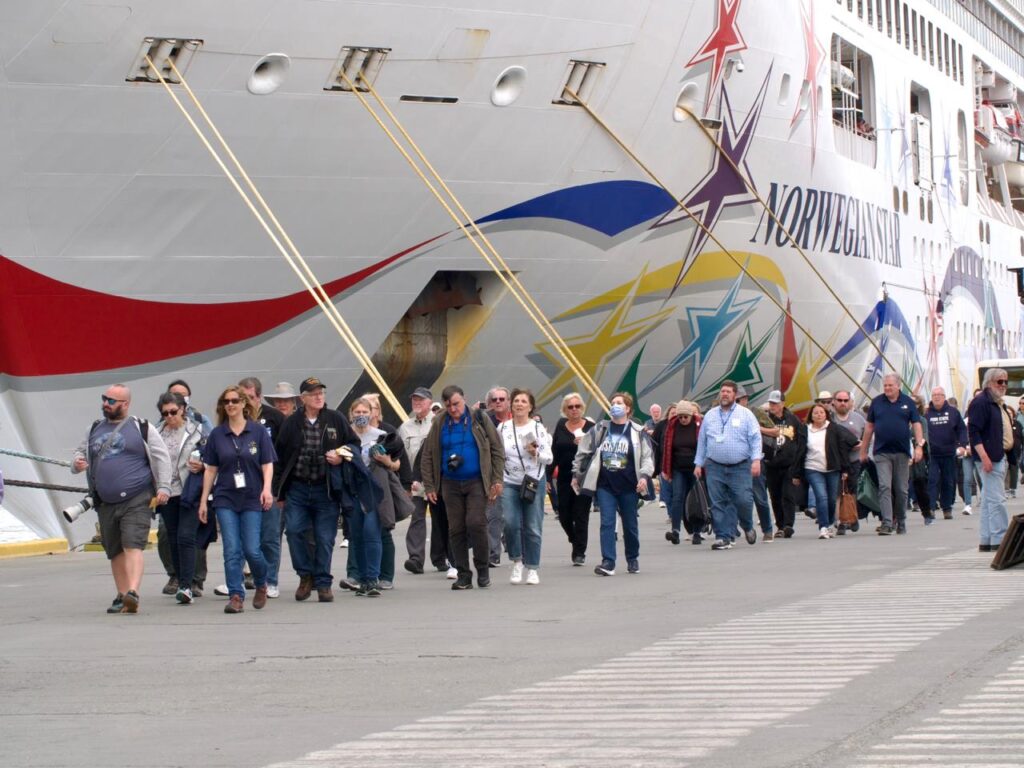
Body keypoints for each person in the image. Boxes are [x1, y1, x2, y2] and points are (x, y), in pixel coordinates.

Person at [72, 384, 172, 614]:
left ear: (125, 404)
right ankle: (121, 594)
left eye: (111, 400)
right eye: (104, 398)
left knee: (132, 544)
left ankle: (133, 592)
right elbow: (79, 454)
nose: (105, 403)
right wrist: (76, 464)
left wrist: (164, 487)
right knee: (114, 550)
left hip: (137, 497)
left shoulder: (142, 427)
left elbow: (161, 458)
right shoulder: (94, 429)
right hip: (105, 501)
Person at [274, 377, 358, 602]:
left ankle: (323, 582)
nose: (319, 396)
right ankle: (305, 575)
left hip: (326, 488)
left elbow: (353, 444)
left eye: (321, 392)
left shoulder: (335, 419)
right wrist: (278, 491)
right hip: (298, 488)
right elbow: (279, 457)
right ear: (303, 399)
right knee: (293, 531)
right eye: (313, 394)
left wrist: (341, 456)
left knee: (325, 537)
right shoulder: (292, 423)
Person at [198, 386, 276, 614]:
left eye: (234, 401)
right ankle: (235, 595)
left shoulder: (258, 432)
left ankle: (261, 582)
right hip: (225, 497)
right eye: (226, 401)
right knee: (231, 548)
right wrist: (204, 500)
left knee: (252, 549)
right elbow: (211, 469)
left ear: (244, 404)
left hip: (252, 495)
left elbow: (267, 463)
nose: (230, 405)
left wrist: (267, 489)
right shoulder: (217, 434)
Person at [420, 385, 505, 590]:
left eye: (456, 404)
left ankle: (482, 570)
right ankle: (463, 574)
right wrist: (430, 485)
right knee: (456, 529)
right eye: (449, 405)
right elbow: (428, 454)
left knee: (476, 523)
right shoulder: (440, 421)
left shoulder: (479, 418)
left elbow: (496, 449)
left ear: (464, 399)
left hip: (476, 480)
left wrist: (497, 479)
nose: (453, 409)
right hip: (450, 483)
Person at [572, 392, 654, 576]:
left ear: (628, 409)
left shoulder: (637, 431)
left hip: (629, 486)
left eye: (619, 403)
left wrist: (644, 477)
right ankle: (608, 562)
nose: (614, 405)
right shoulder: (600, 429)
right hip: (605, 485)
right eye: (613, 403)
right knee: (607, 522)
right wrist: (575, 474)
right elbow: (582, 452)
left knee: (630, 525)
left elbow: (647, 458)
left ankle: (632, 558)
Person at [347, 397, 407, 596]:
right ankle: (362, 578)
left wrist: (384, 459)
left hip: (374, 491)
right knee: (356, 536)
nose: (361, 416)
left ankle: (373, 578)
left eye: (365, 412)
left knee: (372, 532)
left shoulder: (382, 435)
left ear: (372, 414)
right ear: (351, 414)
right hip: (353, 490)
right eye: (358, 412)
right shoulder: (346, 435)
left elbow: (396, 463)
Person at [694, 381, 763, 550]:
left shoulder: (745, 414)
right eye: (722, 391)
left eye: (728, 392)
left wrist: (756, 460)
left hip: (740, 466)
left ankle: (747, 525)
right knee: (718, 502)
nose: (724, 394)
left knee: (743, 500)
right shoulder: (710, 415)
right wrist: (698, 463)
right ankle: (722, 537)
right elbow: (702, 441)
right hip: (714, 466)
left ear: (735, 395)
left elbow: (755, 438)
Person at [158, 379, 211, 595]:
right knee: (171, 537)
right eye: (165, 413)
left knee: (186, 537)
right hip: (167, 493)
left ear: (183, 409)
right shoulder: (155, 432)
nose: (170, 417)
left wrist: (204, 464)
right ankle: (181, 580)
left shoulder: (198, 430)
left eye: (173, 412)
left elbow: (214, 458)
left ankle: (189, 585)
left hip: (191, 490)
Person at [497, 388, 552, 585]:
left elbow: (549, 458)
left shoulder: (538, 429)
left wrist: (534, 453)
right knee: (510, 523)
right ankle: (517, 561)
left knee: (532, 526)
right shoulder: (503, 428)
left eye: (523, 401)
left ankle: (533, 568)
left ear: (530, 407)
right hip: (510, 480)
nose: (519, 404)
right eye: (516, 401)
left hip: (533, 480)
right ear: (511, 405)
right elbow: (496, 454)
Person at [860, 374, 924, 535]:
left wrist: (919, 446)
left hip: (902, 452)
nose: (887, 388)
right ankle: (887, 522)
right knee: (884, 486)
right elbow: (869, 428)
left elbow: (917, 425)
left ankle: (901, 520)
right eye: (885, 385)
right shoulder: (877, 402)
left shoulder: (908, 403)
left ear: (898, 386)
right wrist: (863, 451)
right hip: (882, 452)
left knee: (901, 489)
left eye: (890, 385)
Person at [401, 387, 450, 575]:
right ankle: (415, 559)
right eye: (414, 400)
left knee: (440, 520)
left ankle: (440, 558)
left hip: (437, 480)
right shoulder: (405, 427)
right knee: (417, 518)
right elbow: (403, 456)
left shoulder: (439, 422)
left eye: (421, 400)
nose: (417, 403)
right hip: (415, 481)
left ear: (430, 402)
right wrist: (406, 481)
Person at [794, 404, 857, 539]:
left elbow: (842, 449)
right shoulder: (805, 430)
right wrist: (796, 473)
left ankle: (829, 523)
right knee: (821, 497)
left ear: (826, 414)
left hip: (832, 468)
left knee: (831, 499)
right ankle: (823, 527)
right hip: (812, 468)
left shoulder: (833, 429)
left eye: (821, 412)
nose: (819, 415)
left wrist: (845, 469)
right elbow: (799, 451)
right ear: (811, 415)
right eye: (816, 413)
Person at [967, 369, 1011, 552]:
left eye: (1005, 382)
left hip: (997, 456)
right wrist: (984, 457)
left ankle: (987, 539)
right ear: (990, 382)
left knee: (988, 500)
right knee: (997, 500)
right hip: (990, 458)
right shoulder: (981, 402)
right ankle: (1000, 539)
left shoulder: (995, 402)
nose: (1004, 386)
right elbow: (974, 432)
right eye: (1000, 382)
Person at [550, 393, 595, 565]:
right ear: (565, 410)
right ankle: (574, 538)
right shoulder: (561, 425)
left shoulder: (591, 427)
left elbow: (598, 451)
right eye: (570, 407)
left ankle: (579, 552)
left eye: (577, 406)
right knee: (564, 514)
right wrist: (548, 476)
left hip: (584, 477)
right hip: (564, 477)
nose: (574, 409)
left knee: (581, 514)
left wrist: (584, 444)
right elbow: (554, 451)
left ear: (582, 408)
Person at [654, 400, 700, 545]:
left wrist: (701, 466)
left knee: (695, 500)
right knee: (677, 498)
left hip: (694, 468)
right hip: (678, 467)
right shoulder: (672, 427)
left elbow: (703, 446)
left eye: (685, 417)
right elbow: (667, 449)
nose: (683, 420)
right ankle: (675, 531)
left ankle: (697, 531)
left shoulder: (698, 426)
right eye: (680, 417)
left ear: (691, 416)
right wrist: (665, 470)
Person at [762, 390, 806, 539]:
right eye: (771, 403)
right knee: (775, 495)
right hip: (772, 464)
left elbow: (801, 441)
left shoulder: (792, 419)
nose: (772, 406)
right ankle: (780, 525)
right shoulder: (766, 420)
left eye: (775, 403)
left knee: (788, 495)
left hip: (789, 464)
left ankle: (788, 525)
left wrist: (797, 464)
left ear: (782, 404)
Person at [922, 387, 966, 521]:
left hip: (949, 453)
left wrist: (962, 445)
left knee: (948, 481)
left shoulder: (953, 412)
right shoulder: (927, 414)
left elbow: (962, 430)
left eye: (939, 395)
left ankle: (947, 508)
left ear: (944, 396)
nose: (936, 397)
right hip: (933, 454)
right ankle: (931, 508)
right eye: (934, 395)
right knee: (932, 481)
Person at [737, 386, 774, 541]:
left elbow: (775, 431)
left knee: (759, 496)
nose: (738, 402)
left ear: (746, 399)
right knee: (737, 497)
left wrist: (759, 429)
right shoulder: (726, 413)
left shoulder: (755, 412)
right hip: (736, 461)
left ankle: (767, 529)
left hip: (755, 459)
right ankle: (740, 528)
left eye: (740, 399)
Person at [484, 387, 512, 566]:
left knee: (512, 518)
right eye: (494, 400)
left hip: (516, 475)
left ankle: (513, 545)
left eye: (502, 399)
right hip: (493, 474)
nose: (498, 402)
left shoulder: (519, 421)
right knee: (493, 516)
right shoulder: (485, 422)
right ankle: (493, 553)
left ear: (508, 401)